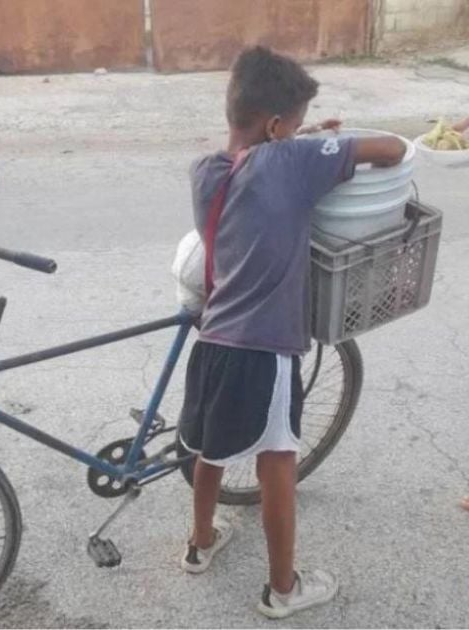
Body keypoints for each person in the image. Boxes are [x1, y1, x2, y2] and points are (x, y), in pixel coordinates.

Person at [177, 46, 406, 619]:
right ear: (278, 127)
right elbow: (394, 149)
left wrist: (304, 139)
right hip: (265, 348)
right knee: (278, 461)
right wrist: (310, 147)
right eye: (296, 124)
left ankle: (200, 544)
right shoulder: (291, 161)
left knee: (211, 448)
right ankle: (284, 589)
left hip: (213, 343)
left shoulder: (208, 172)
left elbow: (258, 163)